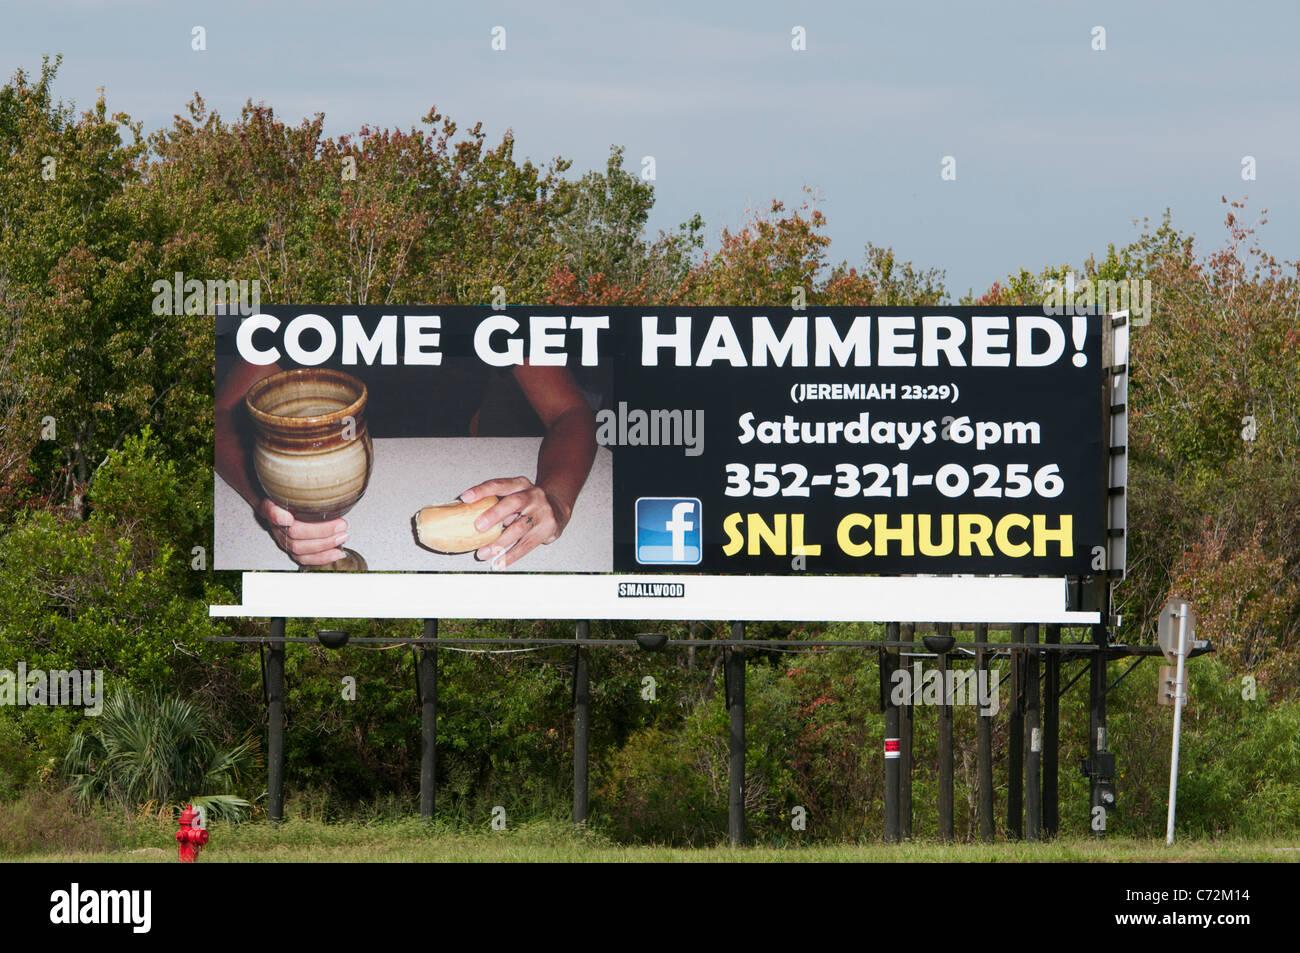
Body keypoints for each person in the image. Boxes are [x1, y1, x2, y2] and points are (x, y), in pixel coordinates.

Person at [215, 359, 597, 570]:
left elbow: (570, 411)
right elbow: (220, 416)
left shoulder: (494, 298)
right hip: (318, 486)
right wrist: (265, 504)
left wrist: (558, 501)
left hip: (443, 479)